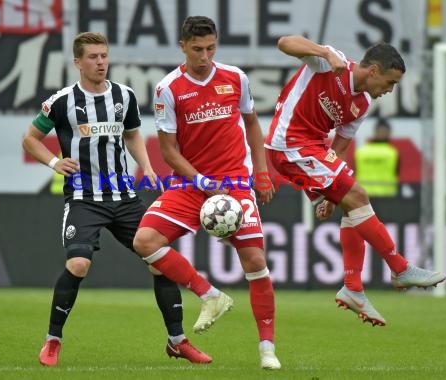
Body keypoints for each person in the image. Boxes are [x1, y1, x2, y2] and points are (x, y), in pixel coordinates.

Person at [22, 32, 211, 366]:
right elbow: (31, 139)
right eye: (93, 57)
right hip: (84, 198)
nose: (100, 63)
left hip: (124, 197)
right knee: (78, 264)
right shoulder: (63, 101)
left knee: (160, 259)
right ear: (78, 62)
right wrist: (53, 162)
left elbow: (133, 134)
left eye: (104, 56)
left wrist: (148, 166)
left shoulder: (124, 96)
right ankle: (53, 340)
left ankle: (177, 341)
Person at [264, 35, 446, 326]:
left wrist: (326, 192)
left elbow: (339, 148)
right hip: (287, 145)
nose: (389, 91)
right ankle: (399, 268)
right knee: (359, 196)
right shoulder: (329, 63)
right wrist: (325, 51)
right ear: (373, 71)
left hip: (310, 151)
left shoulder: (361, 104)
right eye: (390, 83)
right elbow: (284, 42)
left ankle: (353, 287)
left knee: (353, 204)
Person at [132, 16, 281, 370]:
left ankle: (267, 350)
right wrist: (199, 181)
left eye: (211, 48)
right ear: (182, 46)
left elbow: (252, 124)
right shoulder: (168, 88)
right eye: (197, 49)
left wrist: (261, 171)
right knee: (145, 241)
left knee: (256, 262)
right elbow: (168, 151)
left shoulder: (235, 78)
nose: (204, 56)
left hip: (233, 184)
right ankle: (210, 295)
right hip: (191, 184)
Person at [355, 117, 400, 197]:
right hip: (387, 196)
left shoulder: (361, 152)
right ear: (389, 132)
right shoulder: (392, 153)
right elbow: (396, 174)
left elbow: (355, 172)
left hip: (363, 196)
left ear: (375, 131)